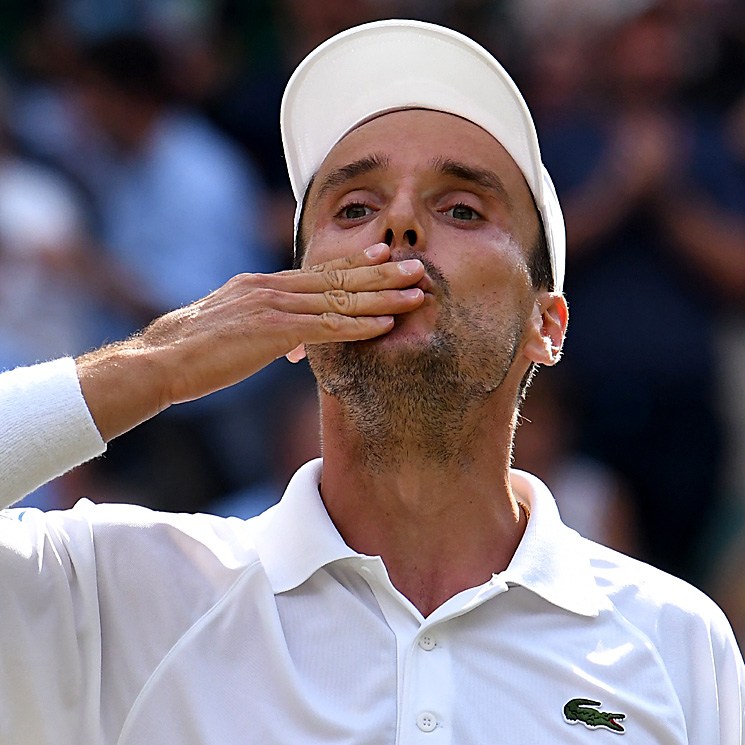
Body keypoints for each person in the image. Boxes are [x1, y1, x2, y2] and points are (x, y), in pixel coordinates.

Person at [0, 19, 742, 744]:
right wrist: (154, 364)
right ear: (291, 306)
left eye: (460, 207)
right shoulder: (116, 589)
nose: (398, 225)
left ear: (546, 325)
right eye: (354, 207)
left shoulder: (674, 640)